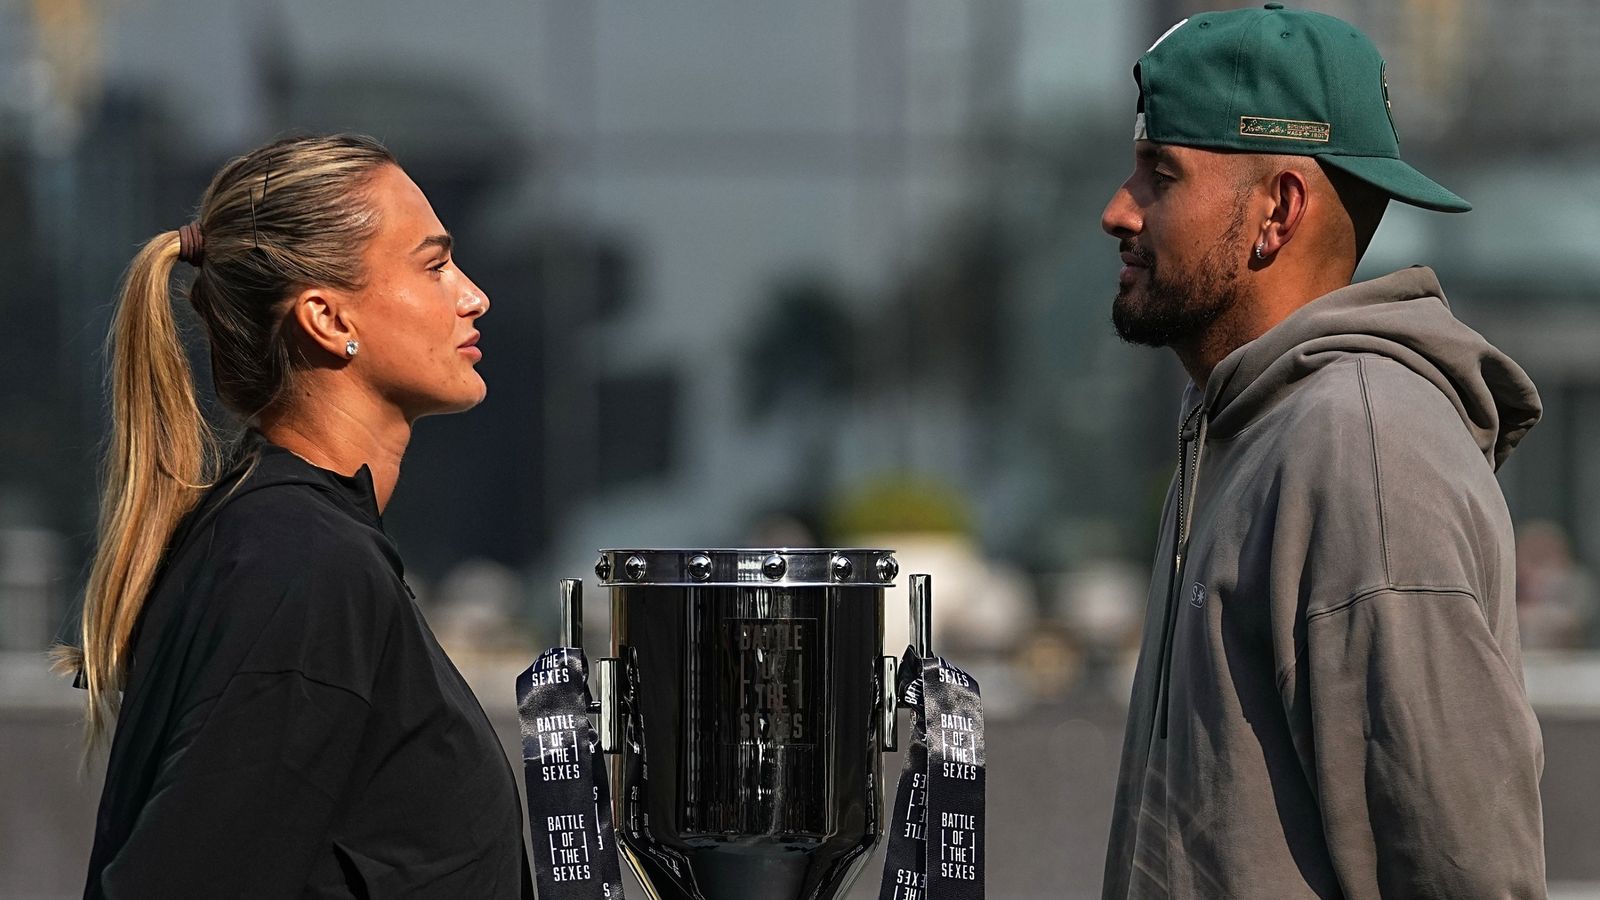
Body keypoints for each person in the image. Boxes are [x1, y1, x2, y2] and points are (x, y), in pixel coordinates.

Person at [1098, 6, 1544, 898]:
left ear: (1278, 210)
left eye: (1160, 174)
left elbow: (1463, 873)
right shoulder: (1247, 428)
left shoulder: (1362, 451)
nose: (1118, 210)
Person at [58, 133, 532, 897]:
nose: (472, 295)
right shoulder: (302, 565)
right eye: (434, 264)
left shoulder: (290, 548)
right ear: (325, 316)